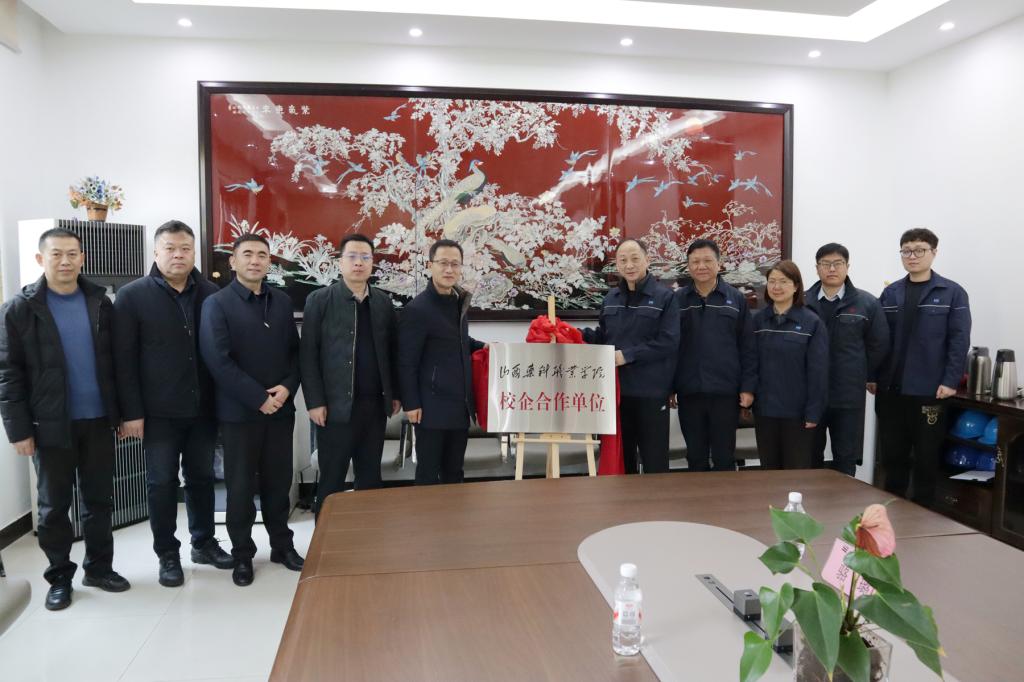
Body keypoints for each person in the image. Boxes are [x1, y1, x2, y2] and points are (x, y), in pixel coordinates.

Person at [0, 228, 128, 610]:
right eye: (56, 254)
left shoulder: (101, 302)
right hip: (50, 425)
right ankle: (59, 577)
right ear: (41, 259)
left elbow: (116, 364)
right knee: (54, 507)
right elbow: (8, 373)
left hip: (98, 420)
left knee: (99, 501)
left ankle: (99, 569)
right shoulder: (20, 309)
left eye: (72, 254)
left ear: (83, 258)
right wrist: (18, 430)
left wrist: (121, 414)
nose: (66, 261)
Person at [113, 220, 233, 587]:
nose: (178, 255)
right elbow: (123, 360)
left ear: (194, 252)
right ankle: (167, 554)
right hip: (157, 412)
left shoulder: (211, 293)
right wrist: (131, 413)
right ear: (156, 252)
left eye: (185, 248)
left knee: (201, 478)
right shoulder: (132, 296)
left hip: (203, 409)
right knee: (162, 482)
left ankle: (204, 543)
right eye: (170, 248)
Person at [199, 234, 304, 586]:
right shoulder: (217, 304)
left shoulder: (282, 301)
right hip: (240, 414)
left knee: (278, 483)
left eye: (262, 255)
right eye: (247, 254)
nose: (255, 260)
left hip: (280, 411)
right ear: (233, 261)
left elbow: (295, 353)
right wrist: (259, 398)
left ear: (270, 262)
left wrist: (287, 387)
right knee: (241, 488)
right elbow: (218, 360)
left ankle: (282, 546)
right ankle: (243, 555)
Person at [300, 233, 400, 515]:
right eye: (352, 257)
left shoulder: (383, 302)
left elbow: (392, 353)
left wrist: (395, 394)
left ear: (372, 263)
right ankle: (326, 540)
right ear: (340, 262)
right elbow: (308, 355)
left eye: (365, 257)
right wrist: (314, 402)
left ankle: (367, 537)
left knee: (370, 479)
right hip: (335, 408)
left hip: (374, 407)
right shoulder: (320, 300)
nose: (359, 263)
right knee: (332, 480)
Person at [876, 228, 970, 506]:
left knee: (926, 457)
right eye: (906, 251)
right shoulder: (891, 292)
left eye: (919, 250)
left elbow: (959, 340)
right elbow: (878, 339)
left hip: (930, 390)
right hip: (891, 389)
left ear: (934, 252)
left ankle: (923, 513)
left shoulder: (952, 292)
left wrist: (950, 380)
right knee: (892, 455)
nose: (912, 256)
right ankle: (891, 510)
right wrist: (872, 375)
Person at [582, 239, 679, 474]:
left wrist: (627, 356)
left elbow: (668, 342)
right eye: (623, 260)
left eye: (635, 258)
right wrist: (571, 334)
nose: (629, 265)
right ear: (617, 265)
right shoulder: (611, 298)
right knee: (622, 464)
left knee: (655, 463)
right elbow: (604, 337)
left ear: (647, 260)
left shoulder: (665, 298)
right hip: (616, 395)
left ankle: (655, 500)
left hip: (651, 393)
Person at [398, 239, 485, 485]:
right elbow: (406, 361)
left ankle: (454, 513)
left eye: (455, 264)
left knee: (454, 472)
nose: (449, 269)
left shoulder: (458, 302)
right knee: (428, 474)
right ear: (430, 266)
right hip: (430, 408)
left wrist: (484, 346)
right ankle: (426, 514)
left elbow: (458, 341)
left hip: (460, 405)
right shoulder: (417, 309)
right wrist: (411, 403)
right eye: (443, 263)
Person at [805, 243, 890, 476]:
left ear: (847, 266)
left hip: (848, 394)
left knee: (845, 456)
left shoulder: (867, 303)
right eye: (825, 264)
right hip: (810, 395)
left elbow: (879, 343)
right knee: (808, 456)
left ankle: (844, 499)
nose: (832, 269)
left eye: (838, 263)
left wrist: (866, 374)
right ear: (817, 268)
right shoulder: (802, 301)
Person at [671, 239, 756, 472]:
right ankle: (696, 497)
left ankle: (724, 497)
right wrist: (669, 386)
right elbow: (670, 346)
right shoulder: (678, 300)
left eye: (707, 260)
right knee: (695, 456)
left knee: (724, 457)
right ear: (688, 266)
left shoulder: (735, 299)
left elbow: (748, 346)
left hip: (725, 392)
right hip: (689, 390)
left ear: (719, 264)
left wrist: (748, 388)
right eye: (695, 261)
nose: (701, 266)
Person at [752, 260, 828, 470]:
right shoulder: (758, 321)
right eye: (772, 281)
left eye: (783, 281)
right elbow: (750, 361)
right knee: (769, 470)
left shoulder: (812, 322)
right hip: (765, 410)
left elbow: (818, 371)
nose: (776, 287)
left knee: (796, 472)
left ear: (796, 286)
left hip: (798, 413)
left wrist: (814, 412)